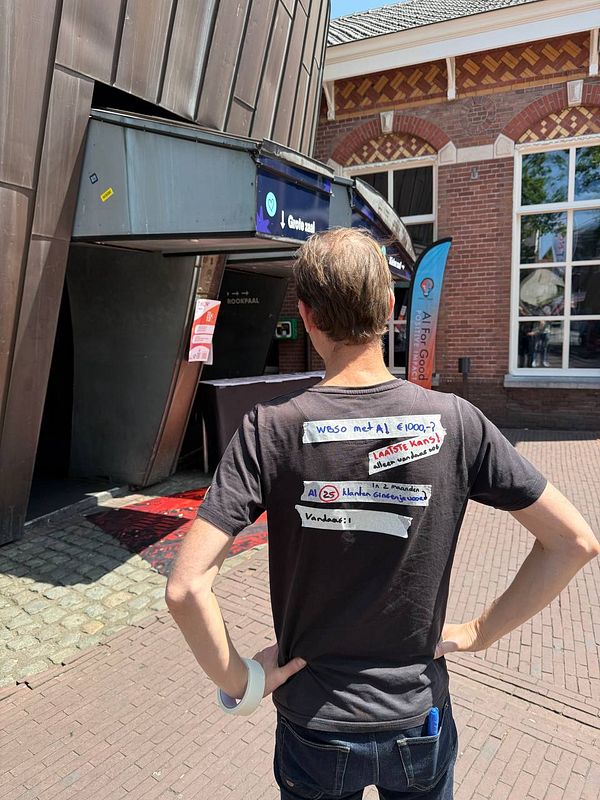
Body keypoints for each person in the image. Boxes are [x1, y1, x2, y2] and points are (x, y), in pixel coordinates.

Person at [165, 228, 599, 800]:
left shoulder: (268, 430)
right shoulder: (457, 422)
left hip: (314, 722)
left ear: (307, 315)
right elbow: (575, 542)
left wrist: (241, 682)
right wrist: (480, 633)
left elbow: (185, 589)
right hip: (416, 716)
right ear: (391, 309)